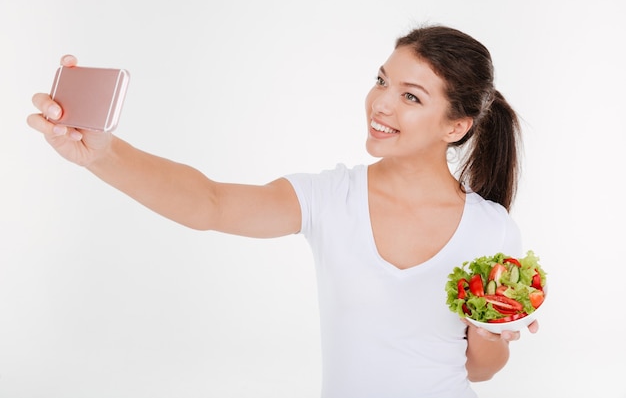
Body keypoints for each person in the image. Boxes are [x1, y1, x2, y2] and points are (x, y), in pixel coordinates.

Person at [28, 24, 538, 398]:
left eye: (410, 96)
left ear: (456, 126)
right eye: (382, 81)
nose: (381, 104)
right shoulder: (331, 198)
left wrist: (492, 330)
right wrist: (102, 154)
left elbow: (480, 369)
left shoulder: (491, 230)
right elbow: (211, 202)